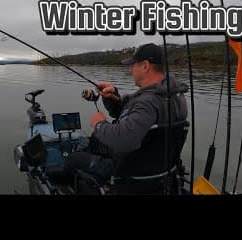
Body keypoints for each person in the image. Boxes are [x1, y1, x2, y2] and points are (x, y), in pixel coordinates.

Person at [65, 43, 189, 194]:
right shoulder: (175, 95)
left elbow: (122, 141)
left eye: (133, 65)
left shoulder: (147, 102)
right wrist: (113, 96)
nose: (130, 70)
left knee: (73, 159)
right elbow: (132, 112)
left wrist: (99, 124)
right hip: (159, 171)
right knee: (96, 143)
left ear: (145, 66)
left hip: (128, 172)